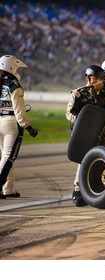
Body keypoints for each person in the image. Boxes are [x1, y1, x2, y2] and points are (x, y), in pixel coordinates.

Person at [65, 65, 105, 207]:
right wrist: (84, 121)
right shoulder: (77, 94)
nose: (98, 81)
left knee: (102, 160)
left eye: (101, 78)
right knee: (83, 160)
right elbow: (69, 114)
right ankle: (77, 190)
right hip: (83, 133)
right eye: (95, 78)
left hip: (101, 134)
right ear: (87, 78)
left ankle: (98, 189)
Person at [0, 55, 38, 199]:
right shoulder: (14, 85)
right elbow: (19, 112)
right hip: (11, 124)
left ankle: (8, 189)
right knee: (8, 157)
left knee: (5, 156)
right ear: (12, 67)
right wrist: (29, 127)